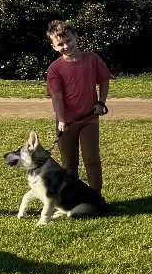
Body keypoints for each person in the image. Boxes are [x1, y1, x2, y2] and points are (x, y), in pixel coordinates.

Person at [45, 20, 112, 193]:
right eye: (60, 44)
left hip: (89, 119)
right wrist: (61, 119)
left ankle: (96, 196)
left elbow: (104, 79)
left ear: (76, 38)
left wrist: (101, 102)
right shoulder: (55, 69)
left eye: (69, 41)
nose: (66, 46)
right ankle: (73, 198)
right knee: (69, 164)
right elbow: (57, 97)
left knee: (92, 160)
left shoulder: (92, 59)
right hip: (67, 122)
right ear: (54, 46)